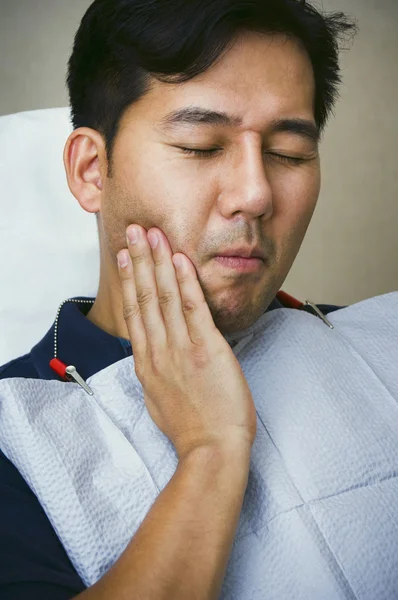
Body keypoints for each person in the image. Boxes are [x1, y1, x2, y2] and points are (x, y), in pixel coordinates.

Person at [0, 0, 358, 598]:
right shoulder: (15, 432)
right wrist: (211, 450)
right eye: (200, 145)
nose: (255, 194)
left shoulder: (375, 349)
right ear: (92, 170)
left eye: (289, 153)